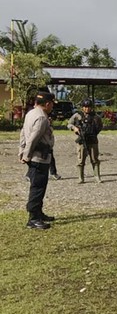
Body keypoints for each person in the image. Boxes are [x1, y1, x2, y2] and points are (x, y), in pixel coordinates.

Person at [19, 91, 56, 230]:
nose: (52, 107)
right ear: (47, 104)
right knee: (38, 187)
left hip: (34, 155)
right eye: (51, 104)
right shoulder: (41, 118)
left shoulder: (31, 113)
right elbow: (34, 138)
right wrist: (26, 155)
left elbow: (23, 133)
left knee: (39, 185)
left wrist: (21, 151)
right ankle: (33, 218)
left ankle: (38, 213)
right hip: (38, 157)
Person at [68, 98, 103, 183]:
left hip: (93, 140)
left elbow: (100, 126)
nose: (87, 108)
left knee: (95, 159)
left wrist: (93, 132)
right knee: (80, 160)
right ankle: (81, 178)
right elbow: (69, 124)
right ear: (82, 107)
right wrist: (74, 128)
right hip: (81, 141)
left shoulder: (96, 116)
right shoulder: (77, 115)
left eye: (88, 107)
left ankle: (97, 177)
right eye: (85, 107)